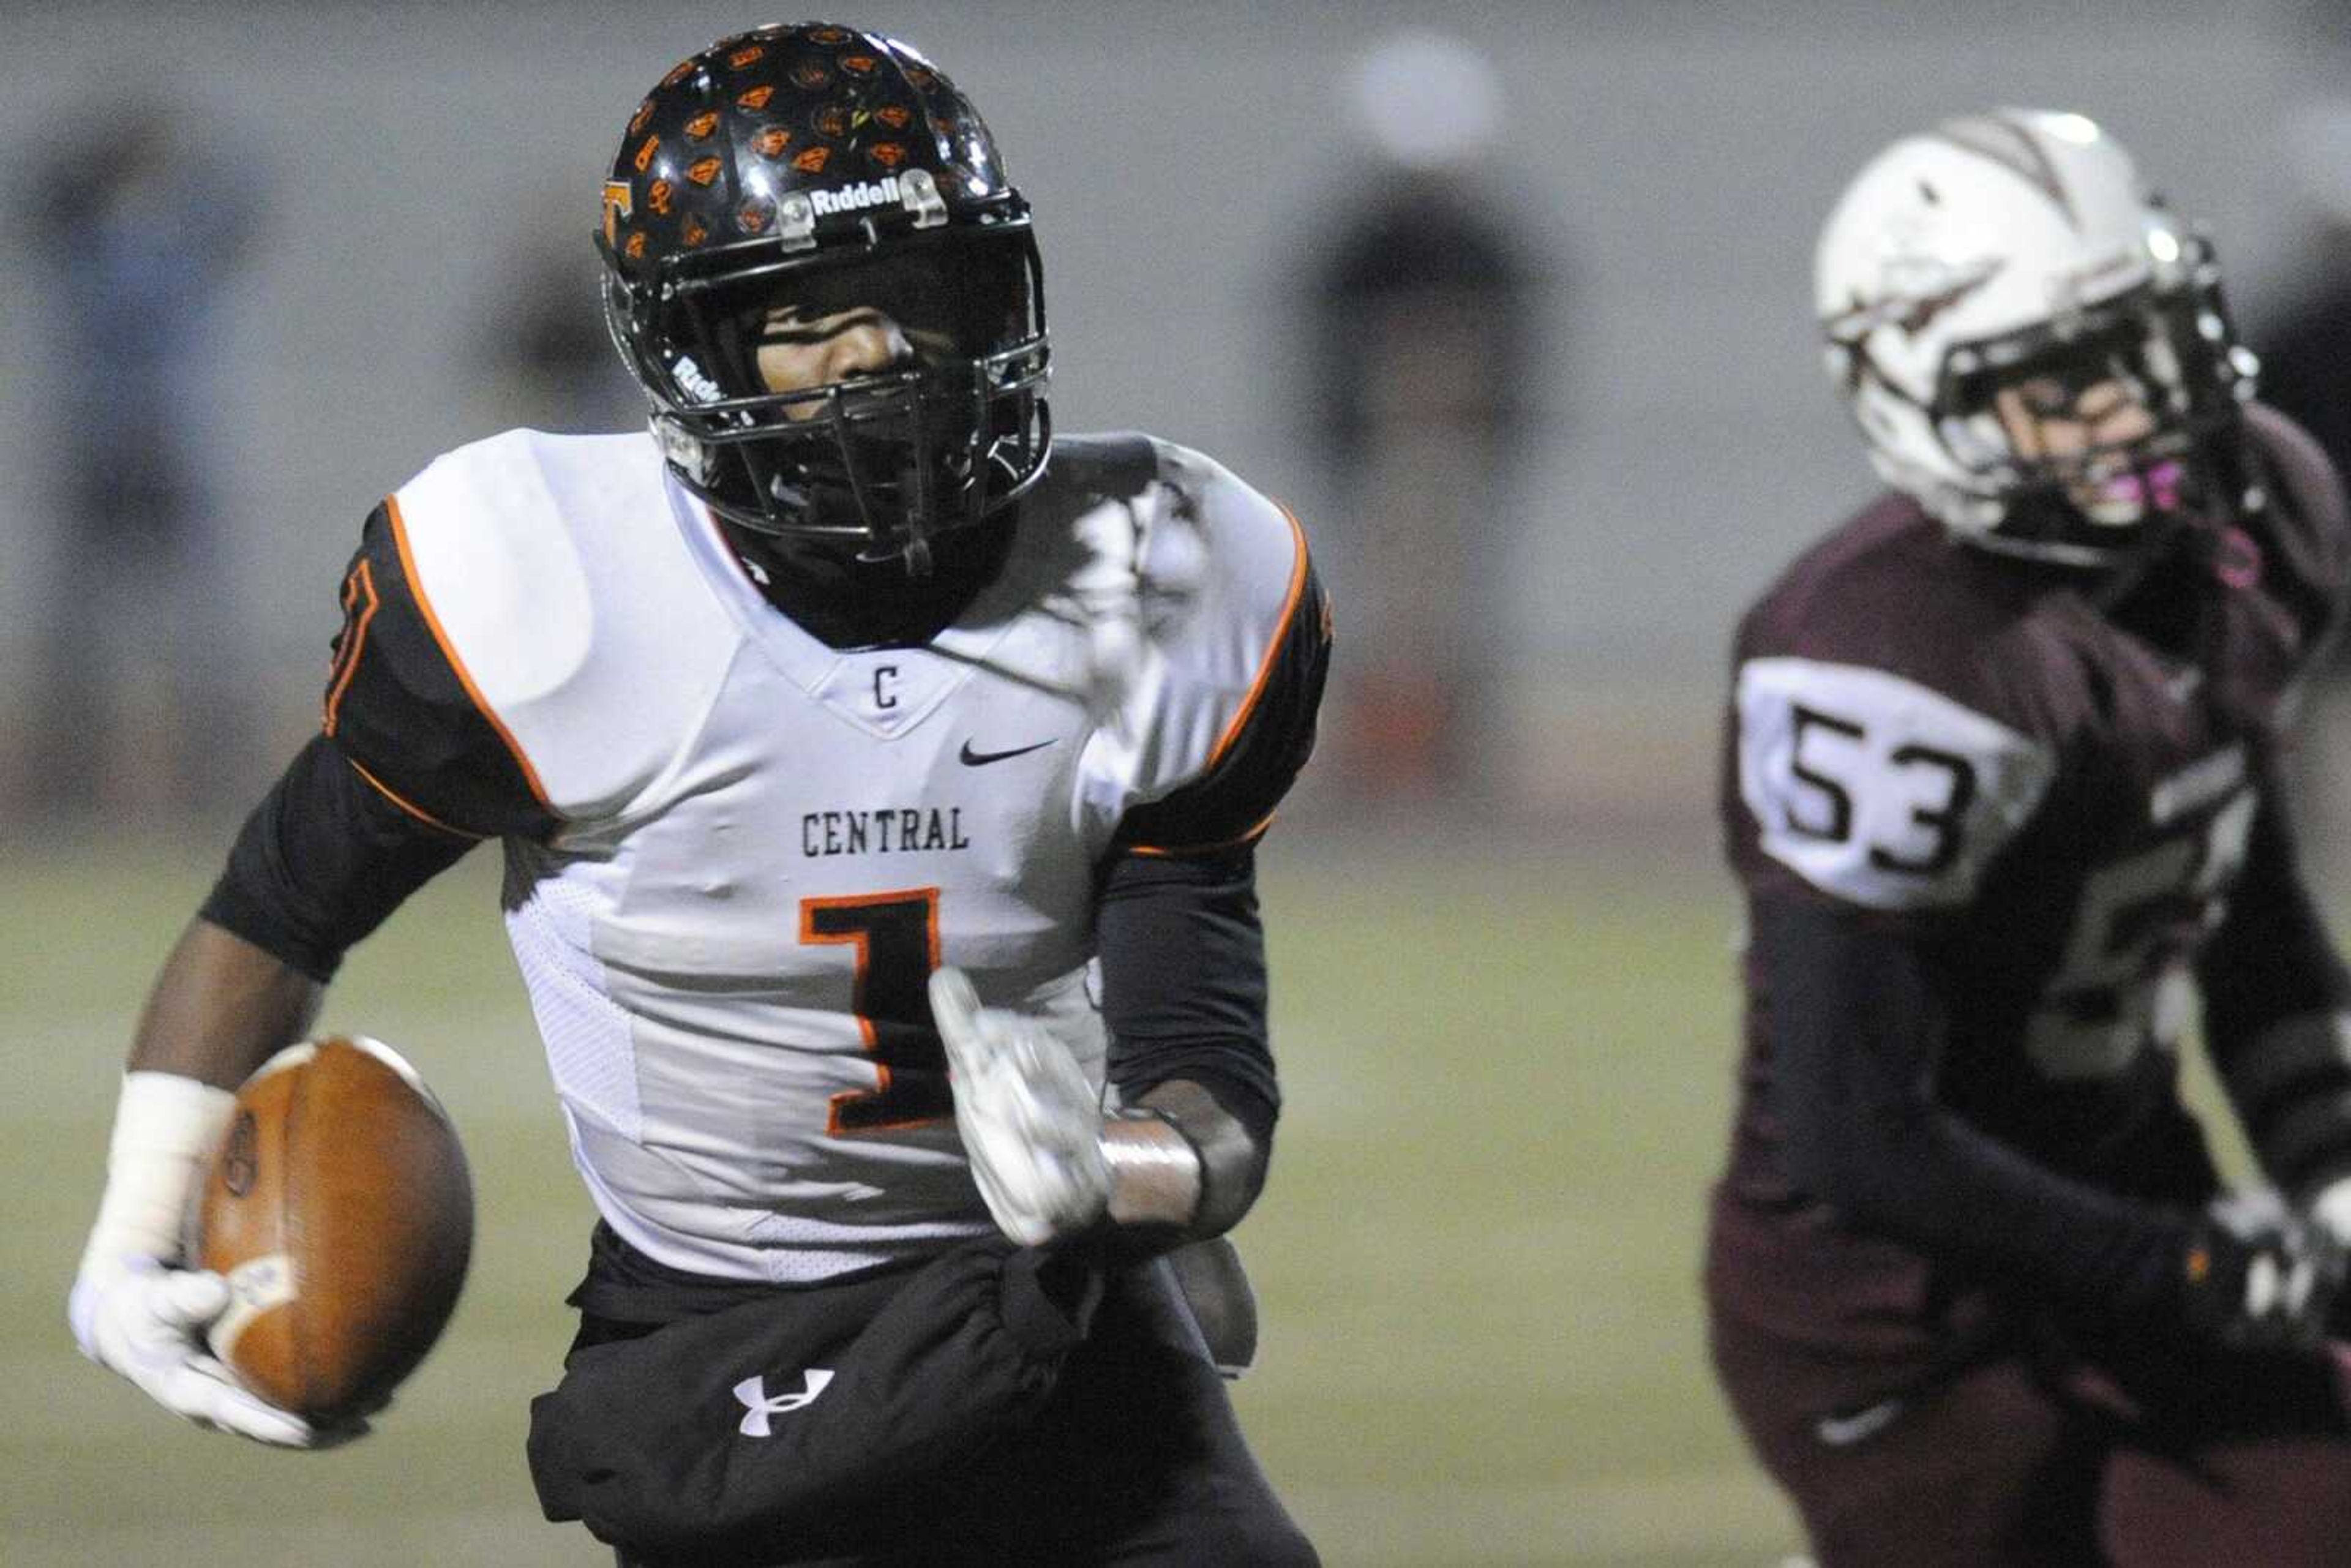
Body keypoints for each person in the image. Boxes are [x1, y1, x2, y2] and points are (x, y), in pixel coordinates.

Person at [67, 23, 1327, 1567]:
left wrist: (1123, 1176)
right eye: (805, 316)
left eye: (917, 297)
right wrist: (141, 1225)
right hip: (723, 1319)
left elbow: (1213, 1084)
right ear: (693, 354)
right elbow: (280, 909)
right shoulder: (549, 590)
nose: (874, 356)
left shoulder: (1173, 571)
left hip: (1043, 1292)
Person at [1711, 108, 2351, 1567]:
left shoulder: (2263, 512)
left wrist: (2326, 1164)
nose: (2134, 409)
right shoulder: (1888, 653)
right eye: (2065, 383)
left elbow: (2237, 896)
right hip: (1888, 1310)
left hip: (2133, 1188)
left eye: (2142, 343)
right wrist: (2190, 1266)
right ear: (1928, 406)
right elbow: (1853, 1125)